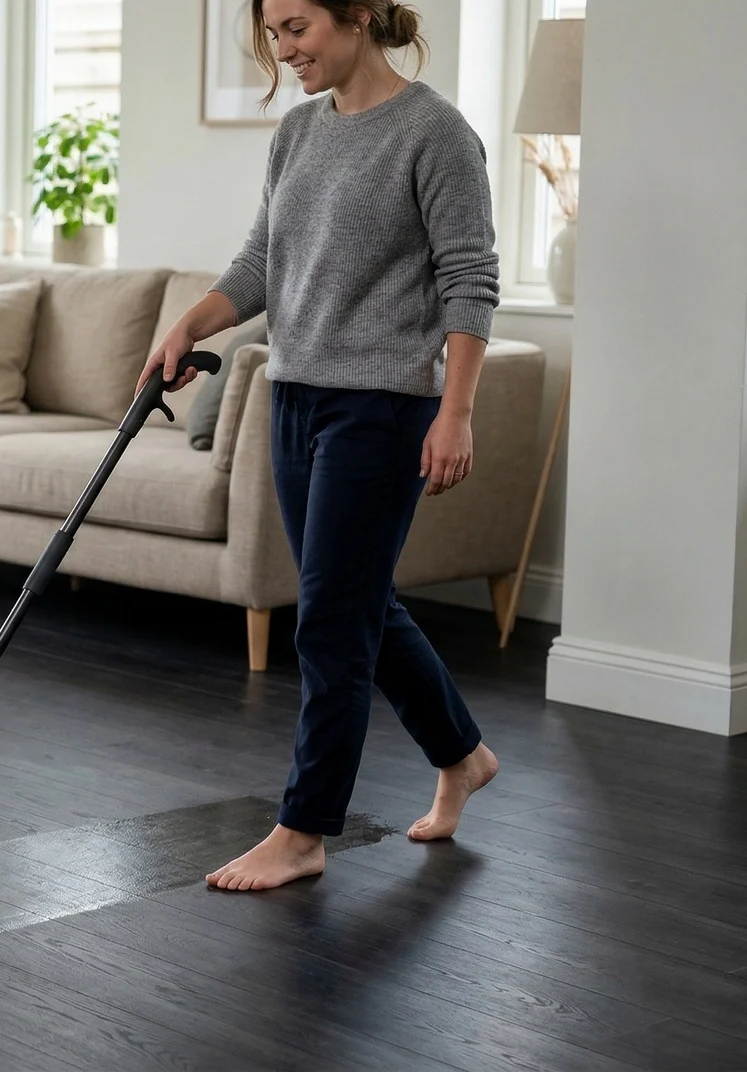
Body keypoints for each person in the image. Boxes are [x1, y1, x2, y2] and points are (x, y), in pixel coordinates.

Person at [142, 0, 501, 891]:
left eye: (297, 26)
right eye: (273, 33)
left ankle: (303, 832)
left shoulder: (437, 135)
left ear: (361, 16)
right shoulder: (299, 133)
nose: (284, 48)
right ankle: (462, 754)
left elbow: (470, 281)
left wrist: (456, 411)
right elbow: (262, 262)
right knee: (356, 607)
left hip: (383, 411)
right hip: (293, 395)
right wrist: (188, 321)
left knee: (331, 626)